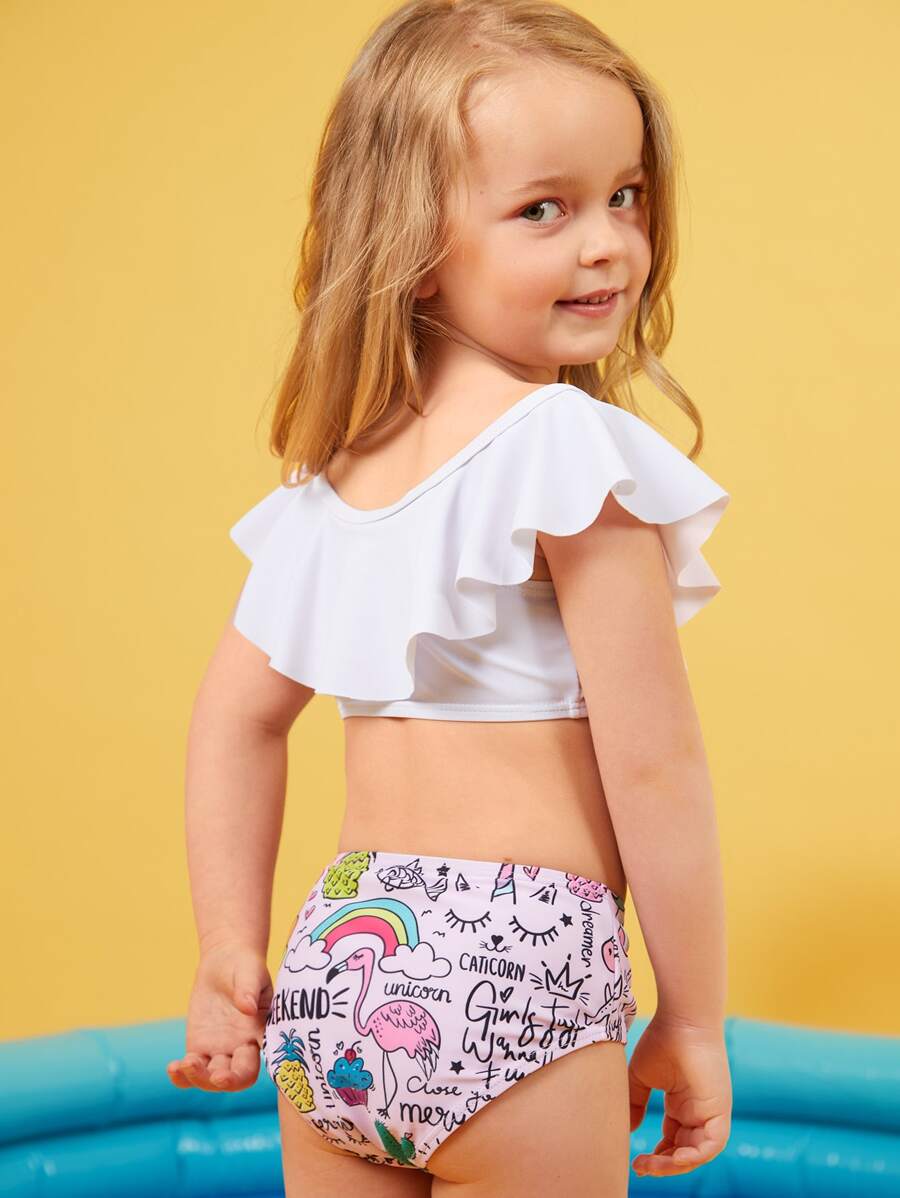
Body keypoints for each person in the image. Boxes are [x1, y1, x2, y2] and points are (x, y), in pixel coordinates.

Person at [166, 1, 734, 1194]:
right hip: (517, 962)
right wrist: (692, 1016)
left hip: (343, 957)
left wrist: (229, 942)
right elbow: (654, 766)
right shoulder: (567, 449)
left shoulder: (334, 481)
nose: (608, 244)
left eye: (625, 195)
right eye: (544, 209)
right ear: (416, 243)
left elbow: (236, 720)